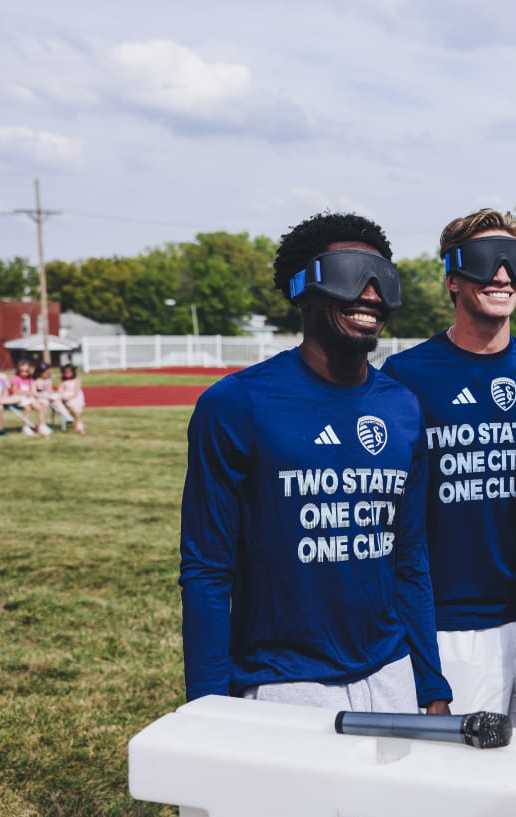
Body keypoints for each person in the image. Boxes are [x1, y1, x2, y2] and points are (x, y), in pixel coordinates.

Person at [179, 211, 450, 715]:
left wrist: (431, 684)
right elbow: (207, 570)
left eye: (384, 280)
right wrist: (207, 708)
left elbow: (410, 560)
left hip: (391, 672)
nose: (371, 293)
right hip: (283, 685)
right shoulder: (236, 403)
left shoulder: (404, 407)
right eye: (351, 273)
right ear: (303, 289)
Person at [380, 209, 516, 731]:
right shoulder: (407, 374)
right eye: (487, 261)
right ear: (453, 278)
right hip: (451, 624)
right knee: (465, 781)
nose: (503, 275)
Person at [52, 363, 87, 435]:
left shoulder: (77, 380)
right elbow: (60, 391)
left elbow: (76, 392)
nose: (67, 374)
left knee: (72, 407)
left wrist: (69, 397)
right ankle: (73, 421)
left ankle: (77, 421)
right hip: (65, 397)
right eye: (65, 372)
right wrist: (62, 396)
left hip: (75, 397)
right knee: (62, 403)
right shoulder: (63, 381)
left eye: (69, 372)